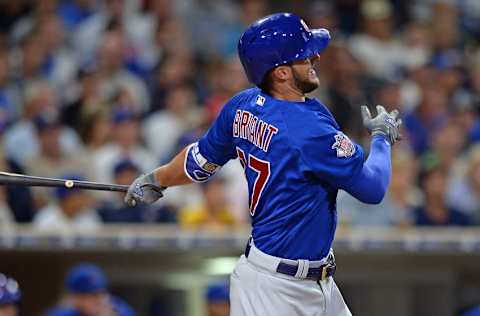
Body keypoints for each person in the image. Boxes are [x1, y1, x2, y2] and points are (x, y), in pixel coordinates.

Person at [124, 13, 402, 316]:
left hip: (308, 280)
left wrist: (157, 178)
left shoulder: (242, 106)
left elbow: (199, 160)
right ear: (281, 73)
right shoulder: (310, 131)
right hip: (274, 291)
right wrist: (381, 138)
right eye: (304, 55)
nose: (316, 56)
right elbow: (373, 188)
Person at [47, 263, 134, 316]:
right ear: (76, 298)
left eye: (99, 293)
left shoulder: (119, 310)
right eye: (90, 296)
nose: (98, 299)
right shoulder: (63, 313)